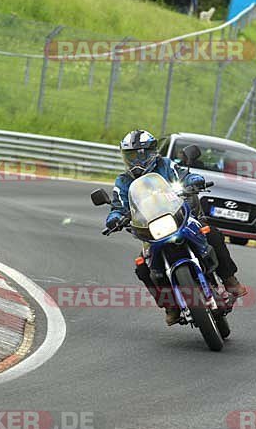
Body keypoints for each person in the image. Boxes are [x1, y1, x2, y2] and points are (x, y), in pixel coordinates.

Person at [106, 130, 248, 326]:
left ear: (152, 152)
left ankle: (230, 281)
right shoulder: (123, 181)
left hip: (182, 217)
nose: (137, 160)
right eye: (131, 156)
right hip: (151, 230)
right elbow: (118, 205)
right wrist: (115, 218)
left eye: (141, 154)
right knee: (142, 267)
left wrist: (194, 181)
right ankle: (171, 306)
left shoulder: (166, 165)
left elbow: (184, 175)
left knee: (212, 234)